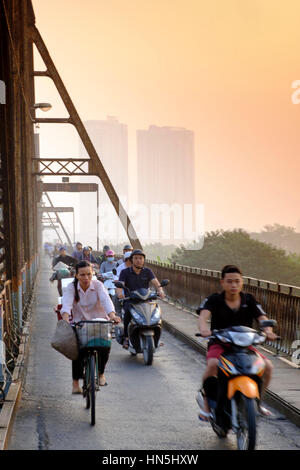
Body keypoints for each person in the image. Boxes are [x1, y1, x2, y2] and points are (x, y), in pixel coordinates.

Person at [197, 264, 277, 420]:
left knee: (267, 366)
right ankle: (206, 405)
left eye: (237, 281)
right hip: (219, 343)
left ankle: (258, 402)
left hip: (244, 345)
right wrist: (204, 329)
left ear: (242, 282)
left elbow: (262, 318)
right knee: (213, 364)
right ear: (222, 283)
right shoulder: (214, 299)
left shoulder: (249, 300)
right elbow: (203, 317)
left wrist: (268, 331)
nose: (233, 285)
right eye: (229, 281)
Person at [61, 260, 121, 394]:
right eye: (82, 275)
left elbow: (106, 300)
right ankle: (75, 383)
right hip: (80, 324)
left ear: (93, 273)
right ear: (76, 275)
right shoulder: (72, 287)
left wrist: (112, 316)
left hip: (99, 323)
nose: (86, 278)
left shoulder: (98, 285)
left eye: (89, 274)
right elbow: (67, 304)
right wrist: (65, 319)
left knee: (105, 347)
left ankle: (101, 374)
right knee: (76, 352)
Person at [116, 249, 165, 349]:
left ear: (143, 260)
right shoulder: (125, 272)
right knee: (127, 313)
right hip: (131, 299)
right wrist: (120, 293)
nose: (138, 260)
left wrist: (160, 290)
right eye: (136, 258)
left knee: (157, 312)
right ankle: (126, 337)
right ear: (131, 260)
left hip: (145, 299)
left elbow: (156, 282)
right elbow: (120, 285)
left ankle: (157, 337)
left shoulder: (147, 271)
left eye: (141, 258)